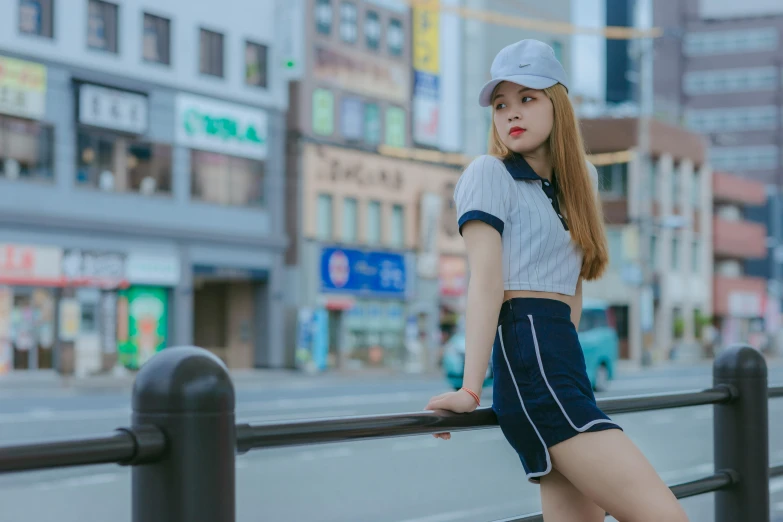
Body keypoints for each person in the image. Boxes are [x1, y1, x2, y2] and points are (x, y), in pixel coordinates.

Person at [424, 40, 688, 522]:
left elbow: (573, 289)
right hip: (530, 360)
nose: (511, 114)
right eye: (501, 104)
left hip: (565, 361)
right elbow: (485, 284)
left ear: (558, 105)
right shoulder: (489, 174)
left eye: (528, 98)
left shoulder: (578, 181)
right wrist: (470, 388)